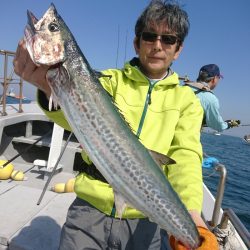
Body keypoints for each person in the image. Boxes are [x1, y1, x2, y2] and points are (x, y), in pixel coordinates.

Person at [13, 1, 218, 249]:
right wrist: (49, 88)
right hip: (89, 211)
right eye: (149, 36)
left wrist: (194, 218)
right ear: (137, 42)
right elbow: (73, 120)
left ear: (178, 50)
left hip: (145, 221)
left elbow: (186, 158)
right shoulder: (107, 81)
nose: (157, 45)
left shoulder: (186, 101)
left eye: (168, 40)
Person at [184, 64, 240, 132]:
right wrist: (228, 124)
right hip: (185, 139)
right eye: (219, 78)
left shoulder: (184, 87)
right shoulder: (210, 99)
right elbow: (218, 126)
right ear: (215, 78)